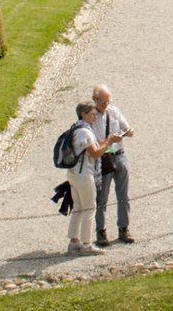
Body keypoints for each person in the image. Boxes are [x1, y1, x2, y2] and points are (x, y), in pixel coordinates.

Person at [62, 101, 118, 253]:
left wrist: (108, 141)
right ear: (83, 114)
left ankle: (74, 241)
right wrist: (107, 145)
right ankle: (86, 244)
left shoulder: (77, 129)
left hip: (74, 174)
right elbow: (95, 153)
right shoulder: (85, 132)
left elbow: (93, 146)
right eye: (92, 114)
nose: (95, 116)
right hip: (84, 174)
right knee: (89, 208)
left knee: (79, 207)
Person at [91, 83, 135, 246]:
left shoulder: (114, 111)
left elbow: (128, 128)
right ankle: (101, 231)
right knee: (102, 196)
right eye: (103, 102)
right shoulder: (91, 116)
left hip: (120, 154)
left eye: (108, 101)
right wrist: (109, 140)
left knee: (123, 194)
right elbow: (91, 142)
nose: (106, 105)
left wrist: (128, 132)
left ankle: (124, 228)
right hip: (104, 158)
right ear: (95, 100)